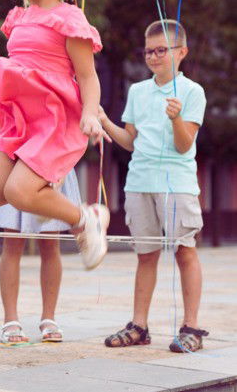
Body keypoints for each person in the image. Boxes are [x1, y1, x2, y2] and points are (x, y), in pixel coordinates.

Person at [0, 0, 113, 270]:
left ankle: (85, 218)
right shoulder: (19, 17)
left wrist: (88, 113)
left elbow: (88, 76)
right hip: (20, 120)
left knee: (19, 192)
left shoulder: (70, 19)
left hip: (53, 119)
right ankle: (46, 197)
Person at [100, 19, 208, 353]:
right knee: (145, 256)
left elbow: (183, 145)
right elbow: (130, 142)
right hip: (139, 182)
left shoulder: (192, 92)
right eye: (149, 51)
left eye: (162, 50)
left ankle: (191, 327)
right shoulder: (138, 91)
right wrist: (105, 122)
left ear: (182, 52)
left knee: (184, 252)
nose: (154, 57)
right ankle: (139, 326)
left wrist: (176, 118)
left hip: (177, 184)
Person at [0, 75, 80, 344]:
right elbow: (1, 130)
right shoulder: (15, 78)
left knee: (50, 244)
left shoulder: (63, 81)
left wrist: (60, 172)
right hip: (14, 163)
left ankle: (49, 317)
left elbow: (71, 131)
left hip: (53, 164)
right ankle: (10, 319)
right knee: (12, 243)